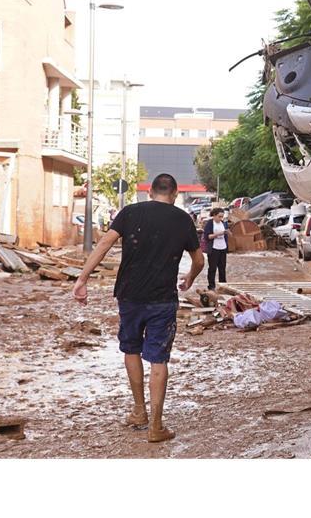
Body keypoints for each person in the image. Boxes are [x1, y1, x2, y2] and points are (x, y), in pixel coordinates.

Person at [71, 173, 203, 443]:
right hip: (163, 299)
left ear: (150, 192)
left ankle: (139, 411)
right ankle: (156, 425)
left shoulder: (129, 212)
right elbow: (198, 259)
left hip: (130, 296)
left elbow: (105, 244)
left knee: (130, 349)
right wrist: (189, 278)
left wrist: (82, 279)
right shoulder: (182, 219)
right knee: (158, 359)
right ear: (175, 194)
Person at [202, 208, 229, 289]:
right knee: (212, 268)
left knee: (222, 268)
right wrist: (219, 234)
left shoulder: (223, 223)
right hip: (213, 249)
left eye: (222, 217)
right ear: (214, 215)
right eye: (219, 216)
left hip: (223, 248)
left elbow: (226, 235)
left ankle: (223, 286)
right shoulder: (210, 224)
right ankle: (211, 286)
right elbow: (208, 236)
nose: (221, 218)